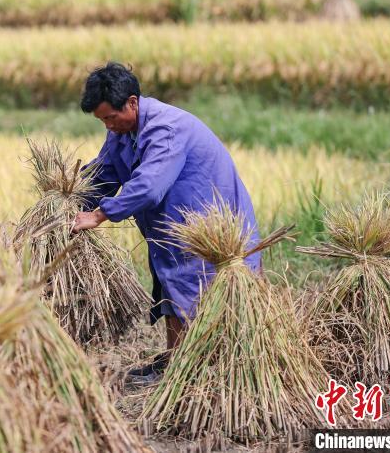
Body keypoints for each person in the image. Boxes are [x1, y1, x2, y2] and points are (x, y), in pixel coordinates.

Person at [73, 62, 261, 382]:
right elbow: (103, 173)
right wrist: (70, 199)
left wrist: (100, 214)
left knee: (200, 289)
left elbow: (149, 185)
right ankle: (176, 362)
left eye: (110, 117)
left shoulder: (166, 129)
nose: (107, 125)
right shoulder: (122, 132)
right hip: (170, 227)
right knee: (171, 287)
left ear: (132, 102)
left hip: (208, 225)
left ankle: (201, 370)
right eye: (102, 120)